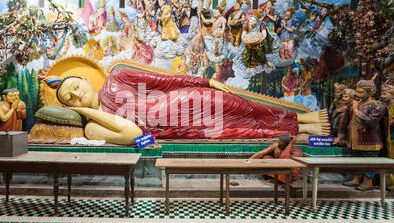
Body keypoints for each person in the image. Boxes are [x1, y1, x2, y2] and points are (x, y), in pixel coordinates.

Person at [44, 69, 329, 143]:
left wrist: (204, 82)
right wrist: (86, 112)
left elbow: (165, 81)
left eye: (75, 88)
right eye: (69, 100)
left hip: (184, 100)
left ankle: (302, 119)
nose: (75, 97)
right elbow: (132, 135)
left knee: (244, 108)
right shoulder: (95, 124)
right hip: (179, 129)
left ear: (84, 79)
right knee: (242, 129)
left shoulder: (116, 78)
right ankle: (299, 129)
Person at [334, 80, 387, 191]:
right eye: (357, 91)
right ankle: (356, 179)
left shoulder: (378, 106)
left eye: (361, 92)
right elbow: (345, 122)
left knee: (369, 162)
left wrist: (357, 112)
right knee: (356, 160)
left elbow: (371, 123)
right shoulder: (352, 105)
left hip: (370, 141)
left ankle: (368, 182)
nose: (357, 94)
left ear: (370, 92)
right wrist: (339, 137)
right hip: (354, 140)